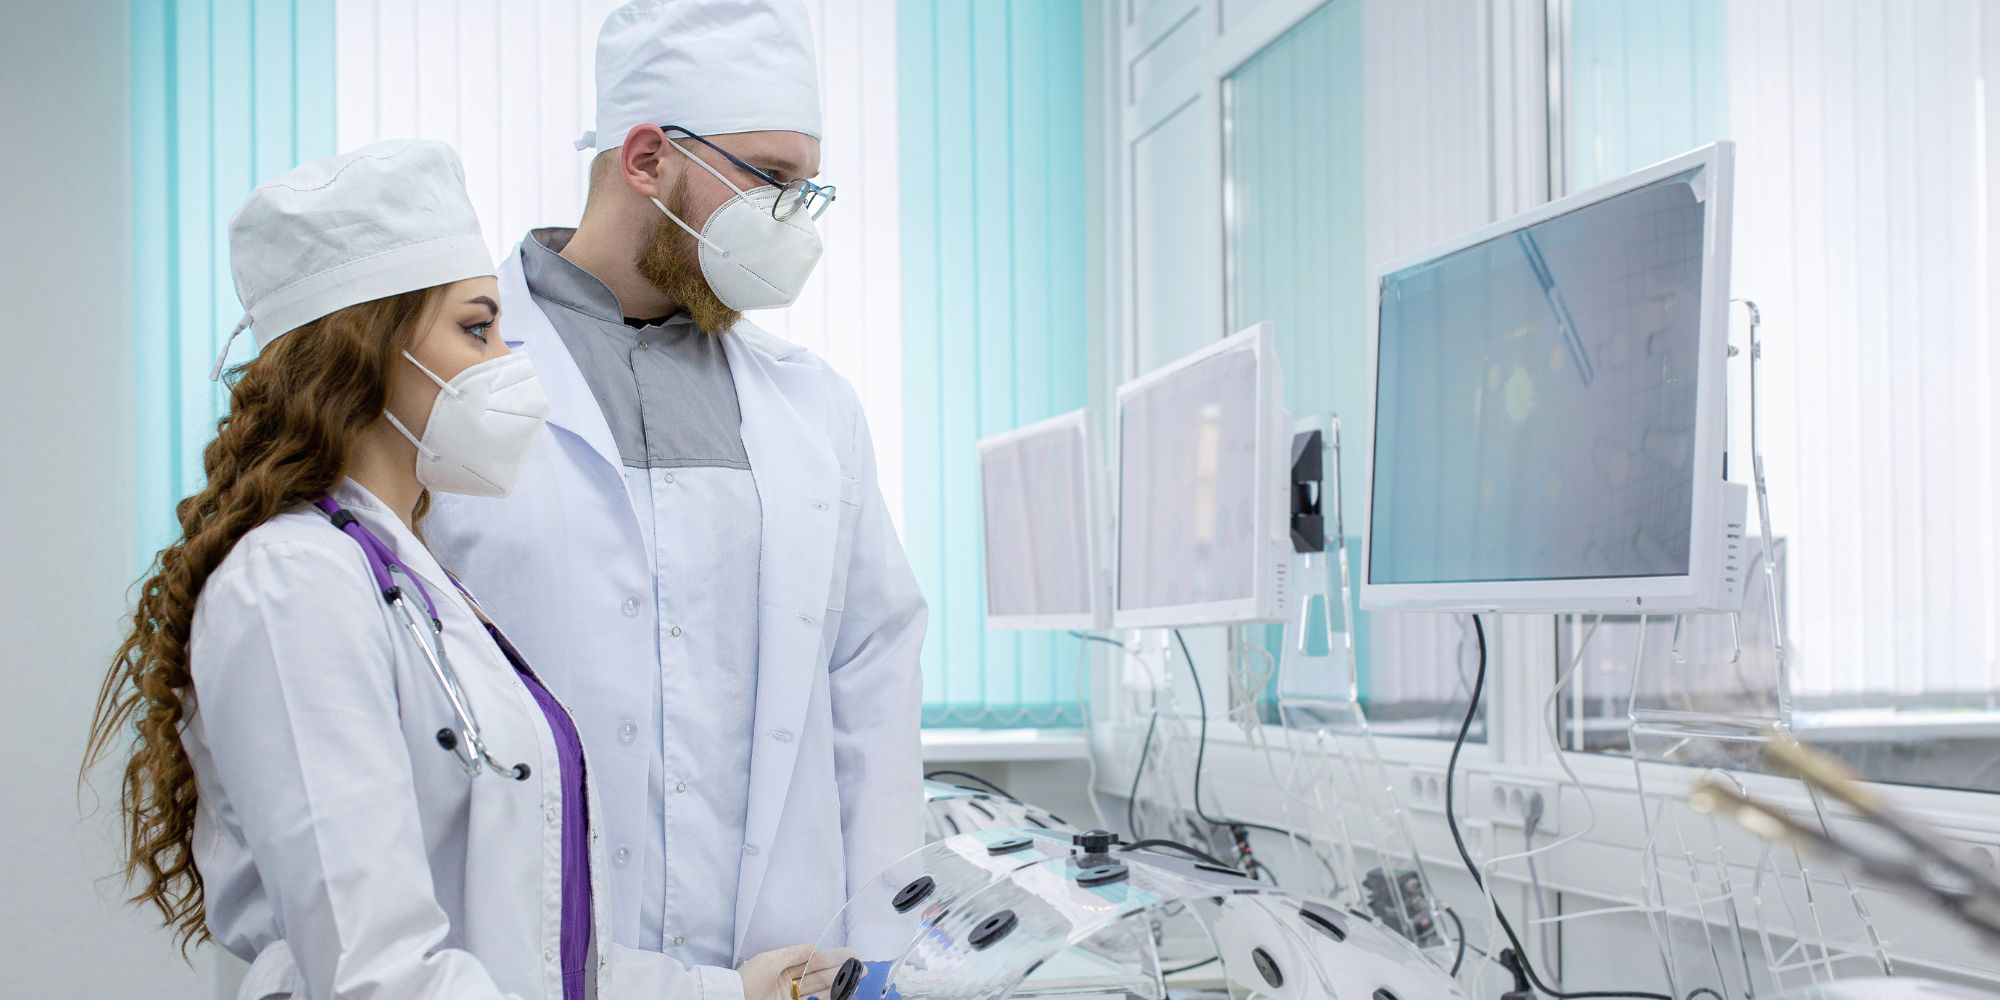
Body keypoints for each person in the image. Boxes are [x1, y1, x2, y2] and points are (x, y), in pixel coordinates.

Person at [84, 139, 843, 1000]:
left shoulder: (413, 583)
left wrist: (733, 992)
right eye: (477, 329)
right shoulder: (291, 585)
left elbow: (529, 951)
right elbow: (379, 978)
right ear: (365, 349)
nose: (509, 366)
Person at [425, 0, 928, 968]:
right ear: (646, 159)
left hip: (783, 964)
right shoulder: (441, 384)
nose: (793, 219)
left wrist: (881, 956)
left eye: (807, 188)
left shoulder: (811, 406)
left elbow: (870, 686)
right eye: (772, 178)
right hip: (518, 959)